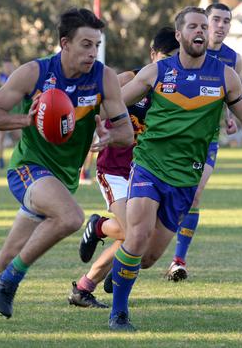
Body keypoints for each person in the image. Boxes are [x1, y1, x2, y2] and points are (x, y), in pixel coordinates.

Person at [108, 6, 242, 331]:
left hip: (186, 177)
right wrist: (90, 120)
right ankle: (119, 312)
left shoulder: (224, 76)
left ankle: (121, 271)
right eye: (193, 26)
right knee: (137, 235)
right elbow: (116, 102)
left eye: (203, 26)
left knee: (147, 258)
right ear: (179, 35)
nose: (200, 31)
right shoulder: (157, 71)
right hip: (149, 165)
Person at [0, 7, 134, 348]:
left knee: (8, 252)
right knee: (72, 217)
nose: (92, 53)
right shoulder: (34, 73)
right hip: (28, 168)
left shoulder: (103, 77)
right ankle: (10, 280)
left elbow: (125, 132)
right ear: (65, 43)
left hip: (61, 178)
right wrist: (27, 121)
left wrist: (109, 137)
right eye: (86, 44)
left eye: (96, 45)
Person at [67, 27, 179, 309]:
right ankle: (100, 227)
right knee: (134, 234)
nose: (169, 65)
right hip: (114, 170)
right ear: (153, 55)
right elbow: (97, 105)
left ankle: (84, 287)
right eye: (166, 57)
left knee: (140, 239)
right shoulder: (130, 79)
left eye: (176, 59)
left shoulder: (173, 92)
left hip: (144, 172)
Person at [165, 2, 240, 282]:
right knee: (162, 202)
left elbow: (232, 96)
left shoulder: (233, 60)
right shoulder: (182, 55)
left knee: (195, 194)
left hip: (207, 140)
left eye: (226, 21)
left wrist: (229, 117)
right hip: (170, 143)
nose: (220, 26)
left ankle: (178, 260)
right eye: (216, 20)